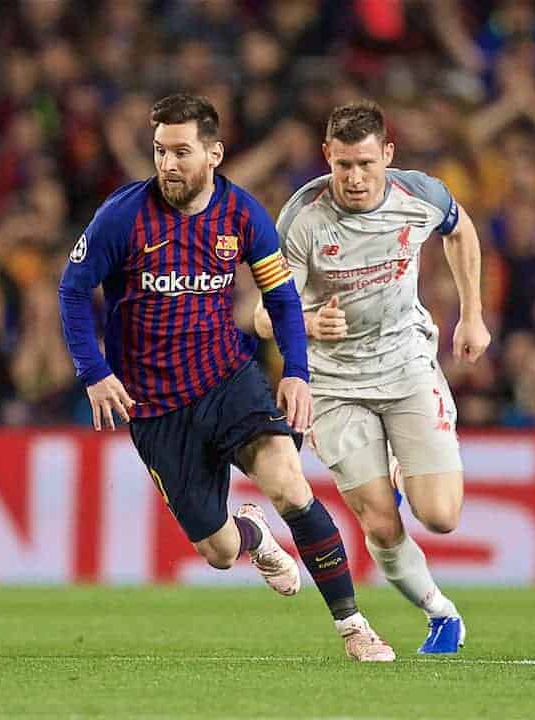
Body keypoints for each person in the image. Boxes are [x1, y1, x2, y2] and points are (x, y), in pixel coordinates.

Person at [59, 94, 394, 662]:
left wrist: (296, 372)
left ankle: (355, 627)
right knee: (217, 551)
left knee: (291, 485)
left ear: (213, 153)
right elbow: (72, 289)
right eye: (161, 151)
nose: (168, 164)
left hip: (227, 380)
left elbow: (283, 297)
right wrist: (93, 372)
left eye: (182, 152)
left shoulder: (241, 214)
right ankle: (253, 537)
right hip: (157, 408)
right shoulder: (122, 216)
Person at [255, 101, 491, 654]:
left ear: (388, 154)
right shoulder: (301, 218)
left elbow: (461, 232)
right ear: (326, 159)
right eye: (343, 166)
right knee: (381, 524)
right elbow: (263, 314)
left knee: (441, 516)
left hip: (406, 365)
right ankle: (441, 613)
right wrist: (307, 321)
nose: (355, 178)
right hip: (334, 385)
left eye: (365, 163)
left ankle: (399, 465)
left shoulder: (421, 195)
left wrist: (472, 312)